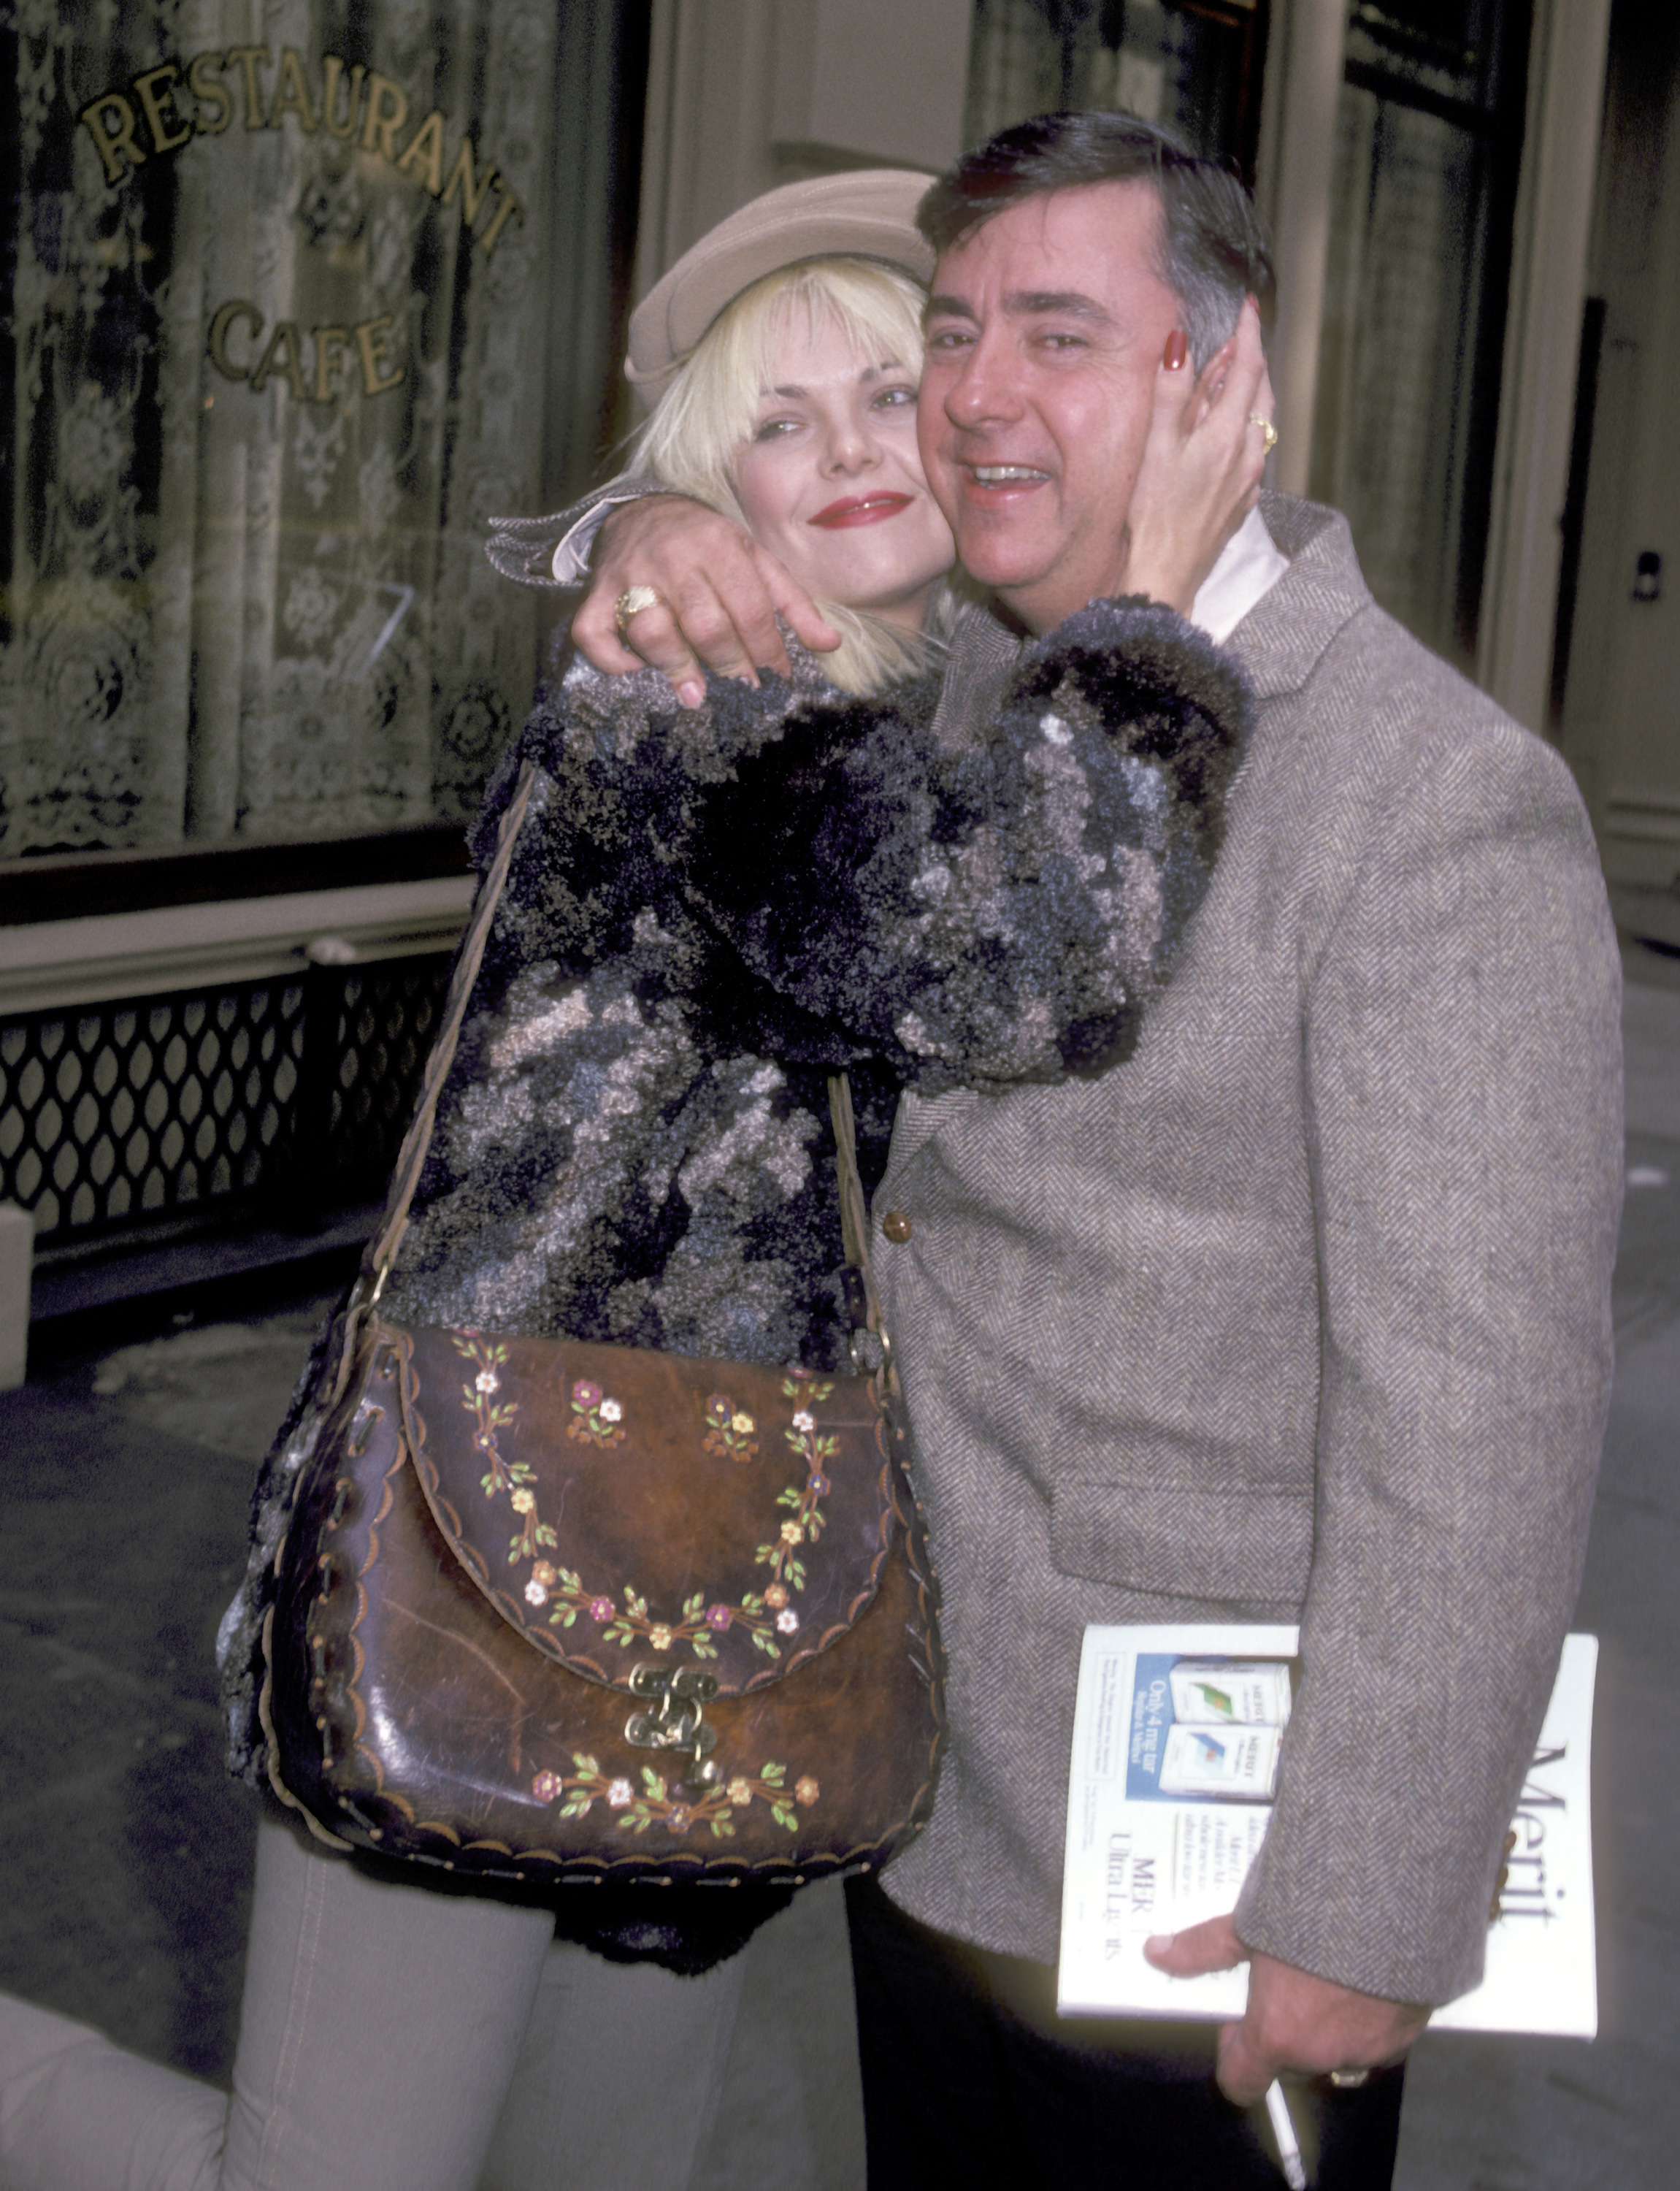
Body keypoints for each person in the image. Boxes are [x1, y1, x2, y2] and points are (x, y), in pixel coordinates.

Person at [0, 167, 1264, 2191]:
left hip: (720, 1590)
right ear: (711, 480)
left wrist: (654, 523)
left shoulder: (895, 698)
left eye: (881, 393)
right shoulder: (686, 712)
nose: (849, 451)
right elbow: (1031, 952)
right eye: (774, 423)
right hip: (493, 1548)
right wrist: (1160, 630)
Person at [556, 112, 1624, 2190]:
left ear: (1215, 378)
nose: (969, 396)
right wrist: (656, 534)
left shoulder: (1433, 794)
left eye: (1056, 332)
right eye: (953, 332)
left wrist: (1375, 1897)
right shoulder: (966, 681)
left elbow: (1484, 1412)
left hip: (1210, 1897)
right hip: (927, 1788)